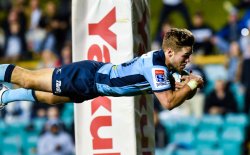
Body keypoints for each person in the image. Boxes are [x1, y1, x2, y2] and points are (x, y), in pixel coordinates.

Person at [0, 28, 203, 110]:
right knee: (27, 78)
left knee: (52, 98)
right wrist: (192, 83)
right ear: (169, 52)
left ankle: (4, 97)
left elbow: (182, 93)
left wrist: (187, 85)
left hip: (93, 86)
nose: (188, 59)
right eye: (185, 55)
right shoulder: (158, 69)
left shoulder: (164, 64)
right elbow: (168, 102)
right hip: (88, 77)